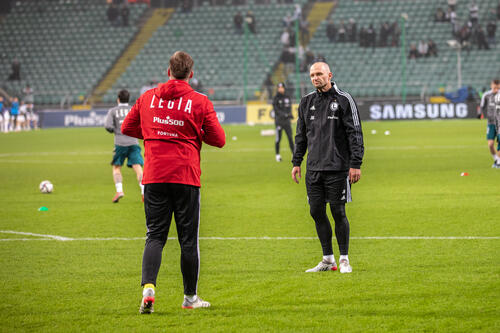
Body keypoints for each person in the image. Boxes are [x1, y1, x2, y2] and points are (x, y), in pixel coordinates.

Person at [121, 51, 225, 313]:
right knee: (188, 240)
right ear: (191, 74)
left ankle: (148, 288)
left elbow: (126, 128)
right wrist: (193, 132)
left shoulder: (148, 97)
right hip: (185, 176)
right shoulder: (199, 101)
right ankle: (190, 298)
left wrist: (153, 132)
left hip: (154, 175)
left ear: (168, 71)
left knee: (154, 236)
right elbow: (219, 139)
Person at [291, 61, 364, 274]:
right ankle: (327, 259)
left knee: (338, 211)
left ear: (329, 75)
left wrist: (356, 164)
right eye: (312, 75)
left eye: (319, 74)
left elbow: (355, 133)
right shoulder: (306, 102)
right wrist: (297, 162)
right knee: (316, 211)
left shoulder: (344, 100)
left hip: (338, 167)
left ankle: (344, 259)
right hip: (314, 169)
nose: (316, 78)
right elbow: (301, 135)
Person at [104, 89, 145, 203]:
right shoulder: (134, 109)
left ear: (118, 99)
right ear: (128, 99)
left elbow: (107, 126)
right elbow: (142, 123)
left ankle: (119, 190)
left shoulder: (113, 111)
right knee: (138, 168)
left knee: (116, 168)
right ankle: (143, 191)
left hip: (120, 143)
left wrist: (116, 130)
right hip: (133, 143)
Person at [479, 79, 500, 167]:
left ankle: (499, 162)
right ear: (491, 85)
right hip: (491, 123)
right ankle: (496, 160)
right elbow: (482, 106)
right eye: (494, 87)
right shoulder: (486, 95)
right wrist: (479, 114)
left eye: (497, 87)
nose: (495, 89)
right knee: (490, 144)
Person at [272, 82, 294, 162]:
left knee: (290, 138)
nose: (280, 89)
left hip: (287, 122)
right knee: (278, 139)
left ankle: (293, 154)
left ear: (284, 88)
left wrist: (290, 114)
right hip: (279, 122)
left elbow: (289, 108)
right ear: (277, 89)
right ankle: (277, 155)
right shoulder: (275, 98)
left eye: (282, 87)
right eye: (279, 88)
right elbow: (276, 110)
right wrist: (285, 114)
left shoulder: (287, 97)